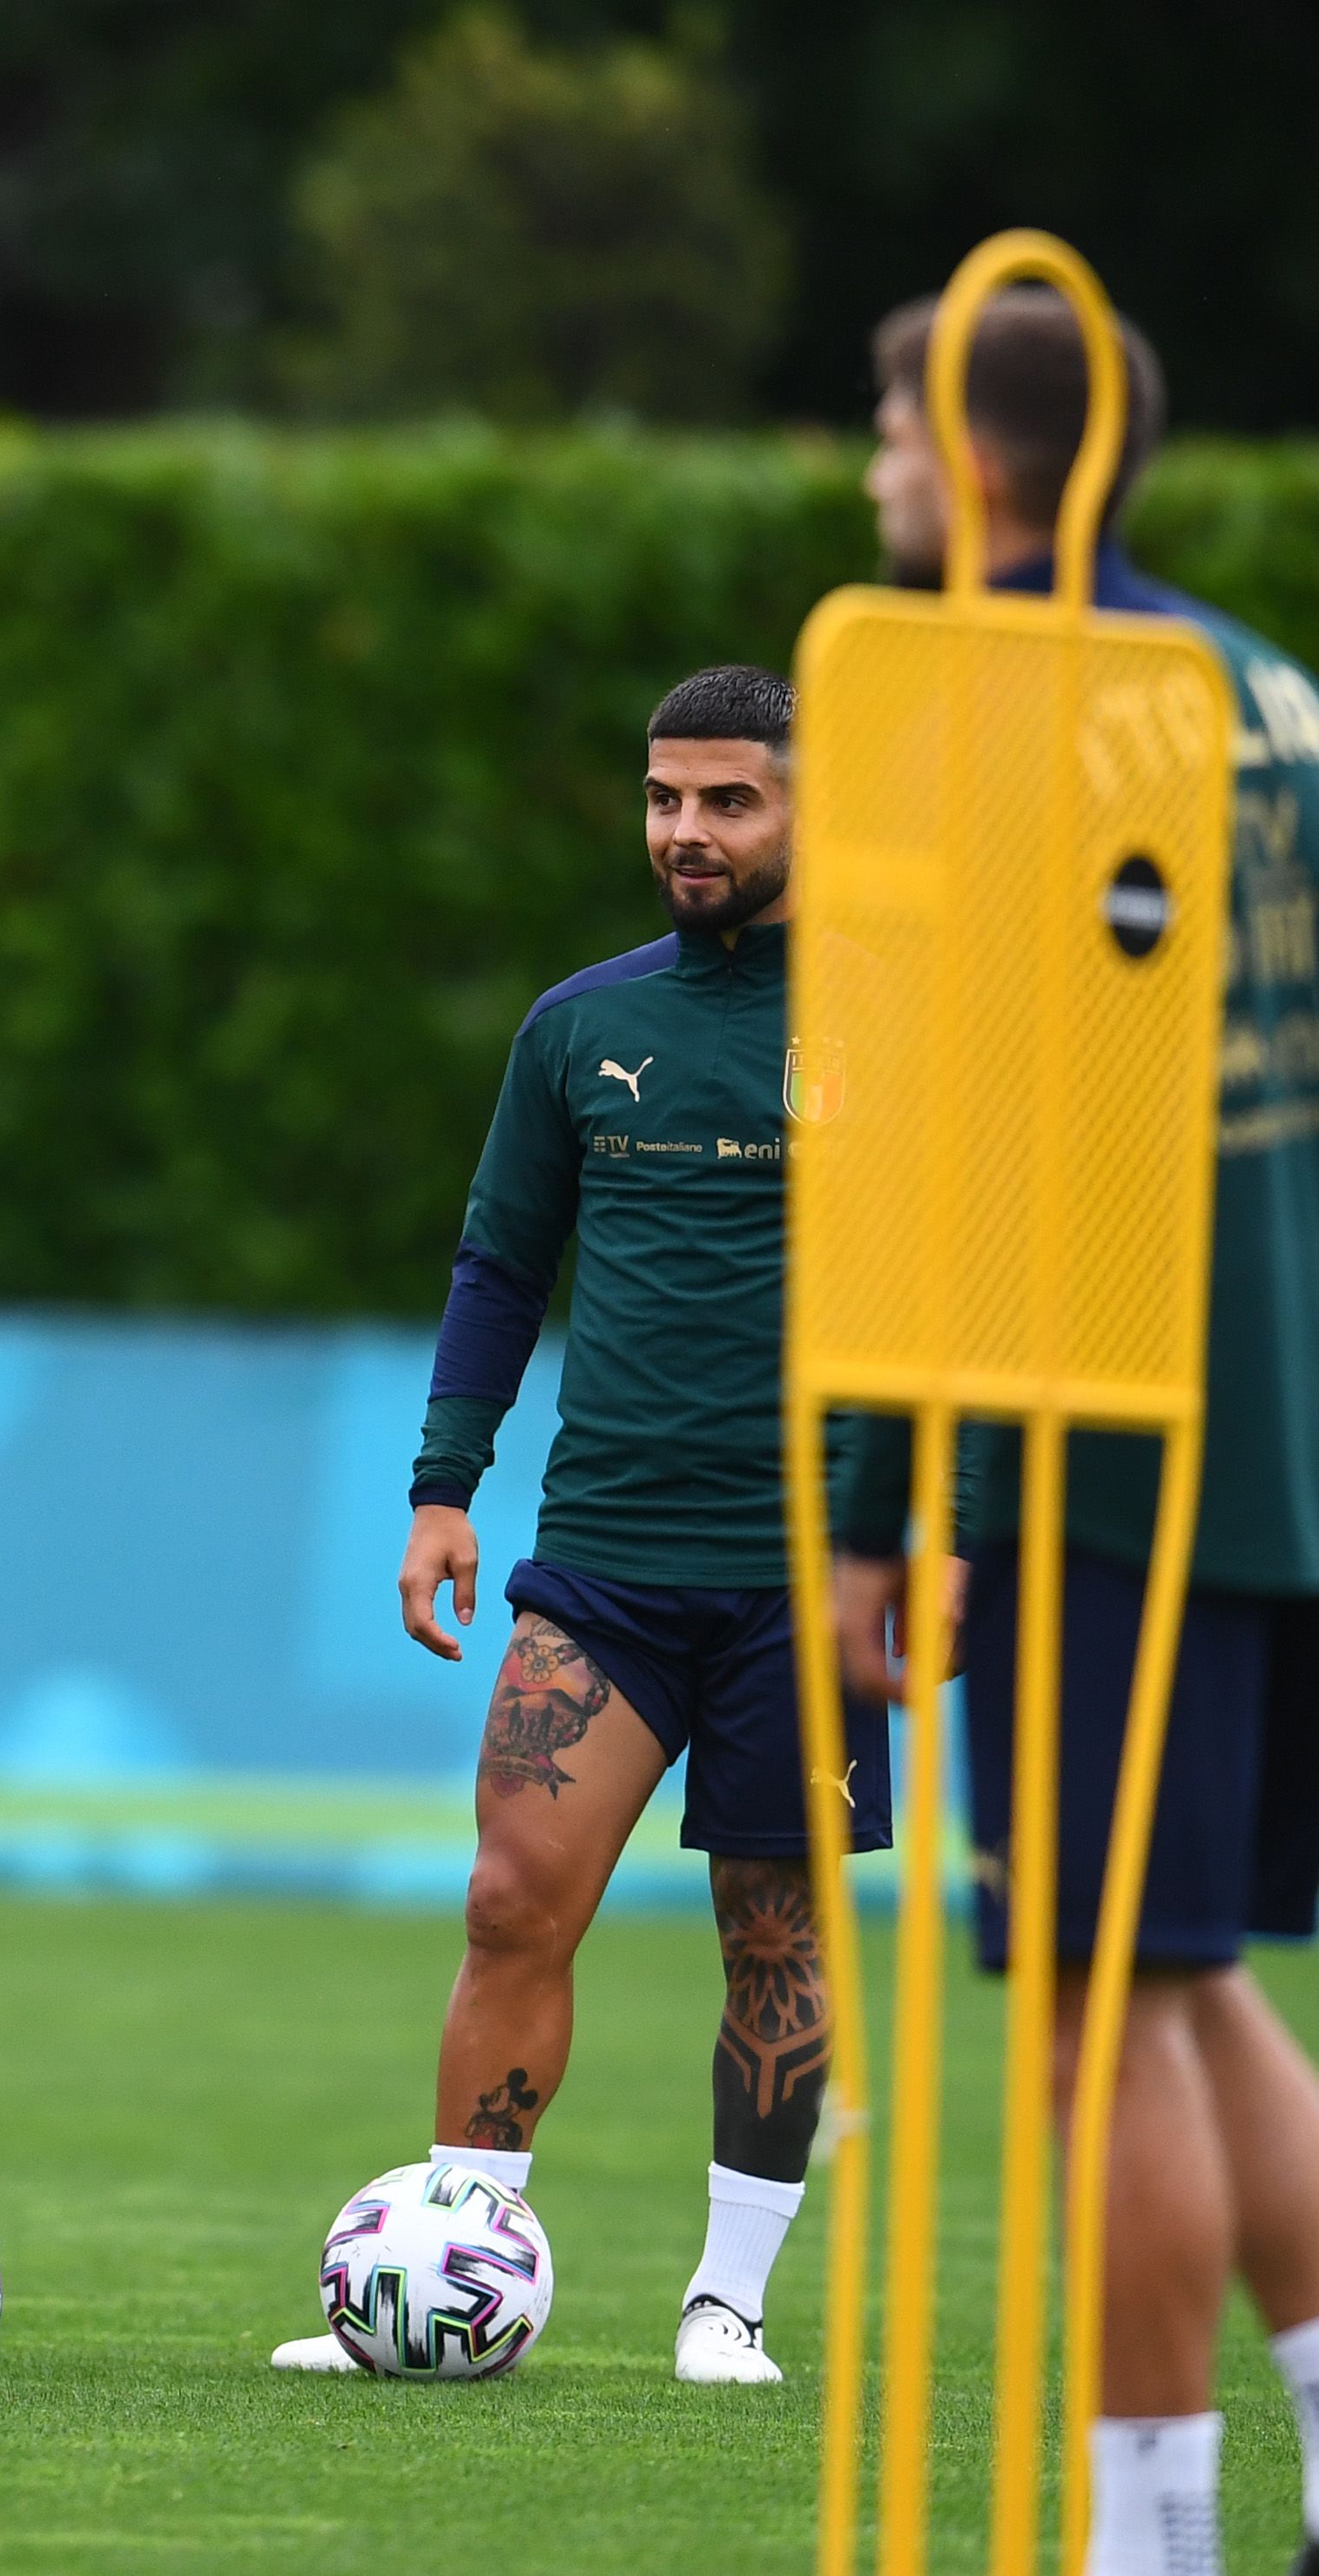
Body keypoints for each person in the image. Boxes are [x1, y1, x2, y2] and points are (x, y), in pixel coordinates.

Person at [831, 284, 1319, 2576]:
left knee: (1096, 2007)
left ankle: (1148, 2536)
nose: (870, 477)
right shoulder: (1267, 686)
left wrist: (868, 1502)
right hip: (1269, 1416)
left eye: (884, 434)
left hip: (1096, 1435)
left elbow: (935, 1144)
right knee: (1194, 1970)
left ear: (971, 454)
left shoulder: (1003, 709)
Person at [266, 668, 886, 2387]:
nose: (688, 830)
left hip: (809, 1576)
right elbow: (500, 1265)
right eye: (666, 797)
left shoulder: (900, 1025)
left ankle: (726, 2306)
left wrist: (950, 1535)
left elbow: (968, 1305)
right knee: (509, 1900)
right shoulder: (577, 1029)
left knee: (775, 1932)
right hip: (603, 1564)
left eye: (730, 800)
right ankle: (452, 2279)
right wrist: (441, 1488)